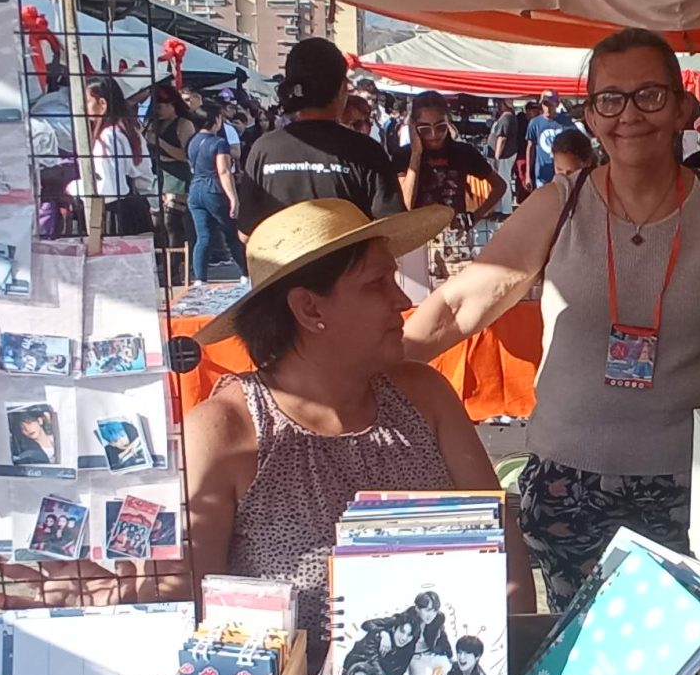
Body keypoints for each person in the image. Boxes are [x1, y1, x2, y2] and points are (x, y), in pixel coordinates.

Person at [407, 28, 700, 604]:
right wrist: (363, 364)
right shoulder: (559, 204)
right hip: (570, 485)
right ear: (589, 115)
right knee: (577, 646)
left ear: (683, 108)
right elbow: (462, 303)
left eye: (650, 95)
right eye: (610, 99)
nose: (629, 114)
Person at [96, 200, 521, 643]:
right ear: (310, 309)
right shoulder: (225, 431)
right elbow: (192, 607)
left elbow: (504, 551)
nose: (403, 300)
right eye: (377, 283)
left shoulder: (425, 396)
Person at [240, 39, 398, 230]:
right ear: (342, 89)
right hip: (350, 249)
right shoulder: (367, 151)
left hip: (281, 250)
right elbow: (391, 224)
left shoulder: (264, 149)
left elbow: (246, 231)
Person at [398, 92, 500, 222]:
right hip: (418, 231)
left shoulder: (463, 151)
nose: (434, 135)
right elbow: (406, 204)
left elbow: (499, 185)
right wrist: (416, 154)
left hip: (455, 231)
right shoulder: (404, 156)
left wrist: (475, 216)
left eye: (441, 127)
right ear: (413, 126)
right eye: (425, 129)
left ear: (448, 123)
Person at [186, 99, 244, 282]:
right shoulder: (219, 143)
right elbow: (224, 171)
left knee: (203, 236)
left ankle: (200, 279)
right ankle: (246, 274)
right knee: (231, 234)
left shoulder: (192, 141)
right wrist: (233, 198)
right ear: (216, 120)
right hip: (214, 188)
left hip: (195, 188)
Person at [85, 78, 150, 234]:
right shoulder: (130, 130)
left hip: (114, 212)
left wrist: (75, 187)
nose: (83, 107)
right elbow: (145, 176)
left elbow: (108, 188)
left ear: (102, 104)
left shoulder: (107, 137)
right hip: (137, 206)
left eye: (87, 101)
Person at [525, 92, 576, 190]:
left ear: (557, 104)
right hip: (543, 175)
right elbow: (530, 148)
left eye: (550, 104)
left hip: (563, 174)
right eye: (545, 104)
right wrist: (528, 175)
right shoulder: (534, 123)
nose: (547, 108)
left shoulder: (566, 122)